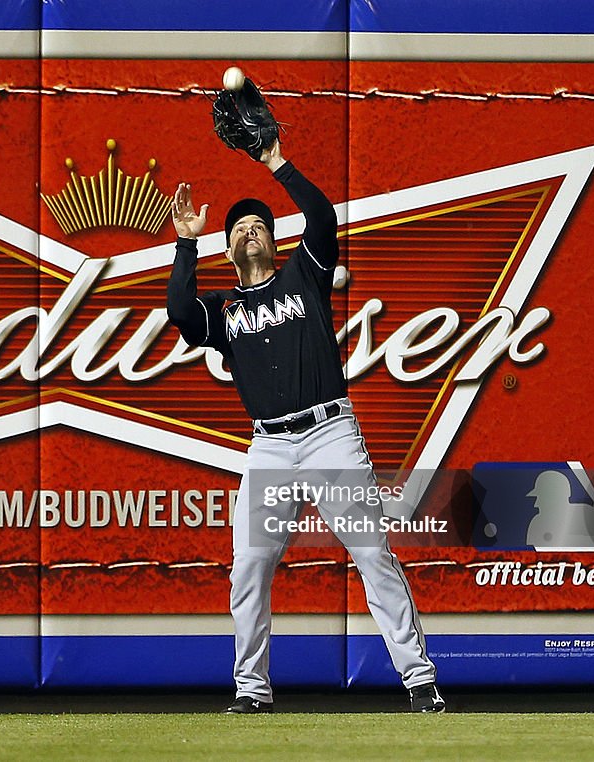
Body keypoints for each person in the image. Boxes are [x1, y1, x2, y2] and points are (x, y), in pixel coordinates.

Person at [166, 139, 444, 714]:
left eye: (258, 225)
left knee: (371, 552)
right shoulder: (222, 311)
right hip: (269, 444)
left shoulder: (305, 274)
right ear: (228, 249)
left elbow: (321, 216)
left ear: (273, 239)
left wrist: (274, 163)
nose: (249, 231)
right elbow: (179, 312)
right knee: (249, 565)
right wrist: (186, 243)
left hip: (329, 434)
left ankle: (419, 680)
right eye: (239, 227)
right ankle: (251, 689)